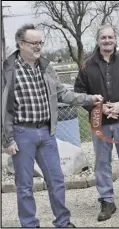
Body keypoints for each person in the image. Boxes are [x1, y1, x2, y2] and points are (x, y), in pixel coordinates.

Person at [1, 24, 103, 228]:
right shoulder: (8, 70)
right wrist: (7, 139)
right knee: (25, 186)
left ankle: (63, 222)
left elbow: (63, 94)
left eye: (40, 42)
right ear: (21, 44)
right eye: (34, 43)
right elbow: (2, 108)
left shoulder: (46, 67)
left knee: (56, 180)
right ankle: (30, 224)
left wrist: (89, 98)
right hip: (22, 134)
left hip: (47, 133)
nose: (38, 47)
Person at [74, 24, 119, 221]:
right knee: (102, 162)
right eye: (103, 38)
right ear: (98, 40)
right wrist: (97, 107)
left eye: (110, 37)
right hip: (100, 121)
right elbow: (79, 92)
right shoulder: (87, 65)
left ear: (115, 39)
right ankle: (107, 201)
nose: (107, 41)